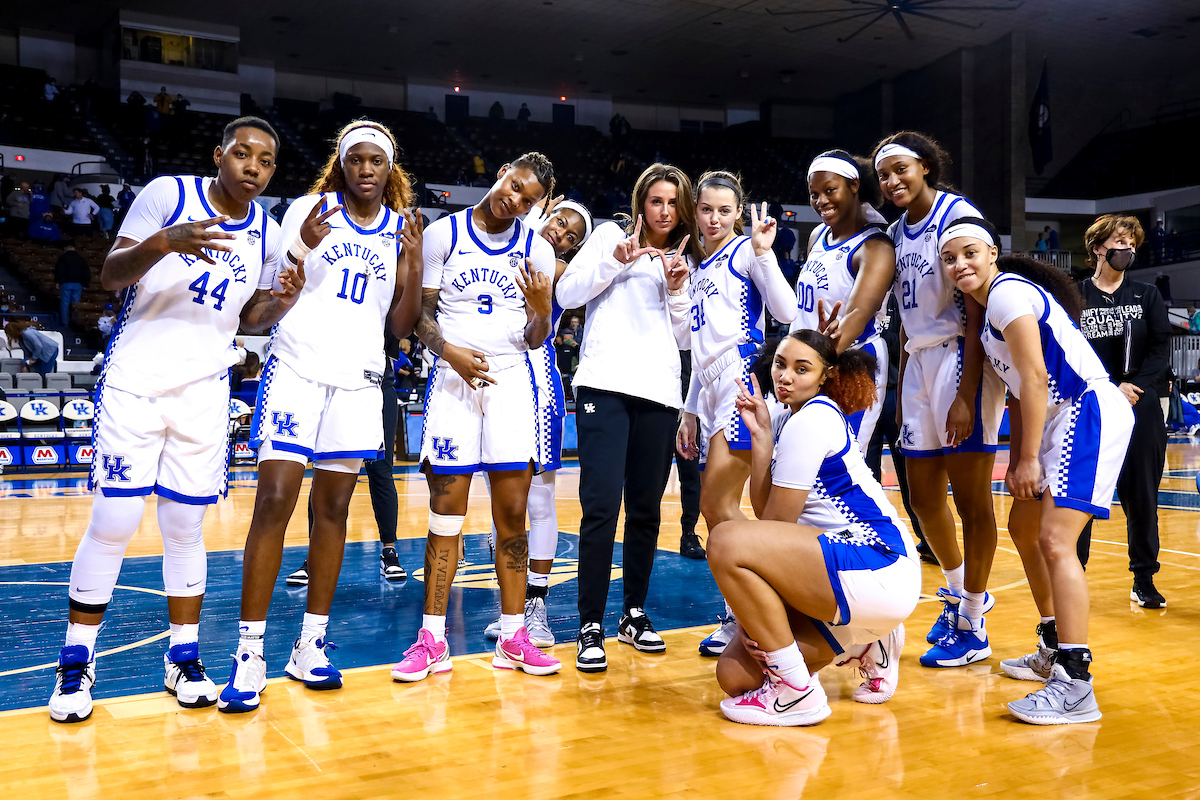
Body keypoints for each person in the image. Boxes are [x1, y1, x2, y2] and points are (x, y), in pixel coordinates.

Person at [47, 116, 301, 724]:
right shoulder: (168, 194)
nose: (253, 168)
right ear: (219, 155)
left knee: (185, 529)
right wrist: (166, 241)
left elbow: (254, 316)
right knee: (113, 521)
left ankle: (183, 657)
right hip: (136, 381)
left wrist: (284, 299)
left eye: (265, 162)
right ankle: (75, 667)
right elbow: (110, 277)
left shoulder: (265, 230)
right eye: (243, 154)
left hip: (203, 391)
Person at [218, 121, 423, 713]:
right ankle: (249, 652)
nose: (365, 170)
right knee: (274, 500)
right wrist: (303, 246)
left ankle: (311, 644)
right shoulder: (310, 209)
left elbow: (401, 327)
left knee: (333, 509)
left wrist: (410, 264)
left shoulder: (401, 230)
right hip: (298, 369)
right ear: (342, 163)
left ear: (389, 170)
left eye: (376, 162)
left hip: (358, 380)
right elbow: (275, 287)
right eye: (355, 160)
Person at [940, 219, 1133, 725]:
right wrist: (1026, 456)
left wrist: (1026, 460)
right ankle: (1052, 643)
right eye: (950, 258)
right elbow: (1024, 394)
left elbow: (1036, 376)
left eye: (969, 253)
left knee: (1054, 539)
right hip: (1059, 417)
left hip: (1087, 409)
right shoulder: (986, 312)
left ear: (992, 254)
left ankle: (1075, 682)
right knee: (1023, 528)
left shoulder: (1006, 294)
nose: (960, 264)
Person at [390, 151, 559, 683]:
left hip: (512, 380)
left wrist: (540, 307)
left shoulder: (539, 250)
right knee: (446, 512)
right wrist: (450, 354)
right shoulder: (445, 234)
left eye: (529, 199)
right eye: (514, 186)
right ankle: (432, 639)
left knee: (512, 515)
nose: (515, 200)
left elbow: (538, 339)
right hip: (453, 380)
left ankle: (513, 634)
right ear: (502, 173)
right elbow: (421, 317)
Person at [709, 329, 919, 726]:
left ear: (825, 376)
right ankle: (870, 645)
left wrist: (763, 620)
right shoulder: (791, 417)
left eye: (801, 369)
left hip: (875, 561)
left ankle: (795, 693)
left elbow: (772, 526)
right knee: (735, 675)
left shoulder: (813, 419)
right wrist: (762, 441)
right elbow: (768, 518)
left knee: (724, 540)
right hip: (847, 572)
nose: (785, 376)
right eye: (780, 365)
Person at [556, 163, 700, 673]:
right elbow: (567, 295)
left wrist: (679, 288)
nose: (663, 211)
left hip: (659, 392)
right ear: (641, 203)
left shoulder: (685, 257)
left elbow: (683, 339)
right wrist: (614, 262)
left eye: (672, 203)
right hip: (604, 385)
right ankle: (589, 623)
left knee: (645, 509)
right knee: (600, 507)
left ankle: (633, 614)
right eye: (656, 201)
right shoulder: (607, 236)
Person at [873, 132, 1004, 668]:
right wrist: (906, 383)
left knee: (971, 499)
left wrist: (966, 394)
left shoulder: (957, 215)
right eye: (883, 175)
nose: (892, 181)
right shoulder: (893, 233)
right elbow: (904, 318)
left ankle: (974, 622)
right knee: (923, 496)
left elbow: (976, 310)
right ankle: (959, 592)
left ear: (926, 166)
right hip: (919, 361)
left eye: (901, 169)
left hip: (960, 356)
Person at [675, 171, 797, 657]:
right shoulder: (698, 268)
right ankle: (744, 611)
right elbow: (692, 347)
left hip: (741, 382)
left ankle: (752, 611)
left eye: (725, 210)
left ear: (738, 212)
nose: (714, 218)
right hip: (706, 389)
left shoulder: (746, 251)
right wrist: (688, 411)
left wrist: (765, 253)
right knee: (717, 511)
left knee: (716, 504)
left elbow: (786, 308)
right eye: (707, 209)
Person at [480, 196, 594, 646]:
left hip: (538, 382)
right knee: (500, 501)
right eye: (560, 222)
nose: (561, 236)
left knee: (540, 501)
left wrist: (530, 221)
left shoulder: (557, 271)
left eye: (572, 238)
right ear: (546, 211)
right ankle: (510, 606)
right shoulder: (495, 242)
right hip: (491, 379)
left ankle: (537, 605)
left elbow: (531, 257)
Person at [1075, 215, 1169, 609]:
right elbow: (1070, 350)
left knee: (1142, 494)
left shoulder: (1146, 294)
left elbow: (1160, 347)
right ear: (1099, 247)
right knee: (1079, 496)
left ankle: (1144, 579)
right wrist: (1109, 386)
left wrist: (1135, 386)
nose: (1127, 250)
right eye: (1119, 242)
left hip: (1140, 404)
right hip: (1092, 404)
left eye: (1132, 244)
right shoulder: (1075, 295)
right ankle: (1072, 572)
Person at [794, 150, 894, 453]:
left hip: (851, 362)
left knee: (840, 466)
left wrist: (810, 369)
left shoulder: (875, 246)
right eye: (814, 194)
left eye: (829, 190)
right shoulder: (817, 237)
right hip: (811, 363)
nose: (820, 201)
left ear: (854, 186)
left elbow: (856, 317)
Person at [54, 243, 91, 326]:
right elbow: (86, 272)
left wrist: (57, 281)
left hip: (66, 283)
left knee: (65, 303)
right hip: (78, 284)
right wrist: (85, 284)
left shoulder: (63, 258)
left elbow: (59, 270)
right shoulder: (81, 259)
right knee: (76, 304)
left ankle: (65, 322)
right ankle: (75, 322)